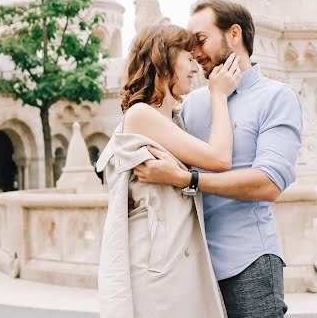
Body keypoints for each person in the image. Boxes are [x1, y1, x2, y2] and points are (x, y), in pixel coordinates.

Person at [135, 0, 303, 318]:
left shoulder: (277, 98)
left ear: (234, 34)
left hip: (248, 262)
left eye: (201, 40)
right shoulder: (190, 103)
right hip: (190, 267)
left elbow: (268, 184)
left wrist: (188, 179)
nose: (195, 53)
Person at [97, 24, 242, 318]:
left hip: (175, 264)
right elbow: (219, 158)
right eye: (188, 58)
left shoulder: (172, 120)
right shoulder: (140, 115)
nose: (195, 68)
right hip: (158, 271)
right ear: (163, 60)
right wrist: (218, 96)